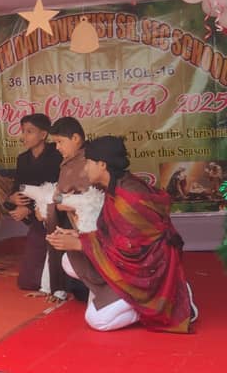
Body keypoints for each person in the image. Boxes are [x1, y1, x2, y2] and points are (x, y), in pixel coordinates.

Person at [47, 136, 198, 333]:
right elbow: (113, 234)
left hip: (148, 271)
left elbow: (131, 250)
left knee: (97, 320)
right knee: (69, 260)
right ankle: (117, 298)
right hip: (125, 265)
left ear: (102, 165)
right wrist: (77, 235)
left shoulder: (130, 197)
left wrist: (80, 243)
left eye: (88, 163)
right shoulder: (116, 186)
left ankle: (154, 304)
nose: (84, 169)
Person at [7, 114, 62, 294]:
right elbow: (18, 187)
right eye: (23, 131)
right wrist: (13, 199)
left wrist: (28, 209)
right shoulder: (23, 159)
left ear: (43, 134)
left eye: (29, 132)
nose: (24, 136)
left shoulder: (57, 155)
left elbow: (56, 190)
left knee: (54, 277)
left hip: (57, 215)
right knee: (27, 282)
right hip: (36, 220)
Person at [40, 117, 91, 300]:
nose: (57, 147)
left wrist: (61, 203)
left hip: (87, 227)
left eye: (60, 142)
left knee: (83, 289)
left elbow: (92, 199)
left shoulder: (88, 161)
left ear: (76, 138)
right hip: (67, 221)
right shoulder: (70, 162)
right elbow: (60, 193)